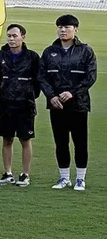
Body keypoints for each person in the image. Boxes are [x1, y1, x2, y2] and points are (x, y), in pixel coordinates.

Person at [40, 14, 97, 191]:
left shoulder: (85, 51)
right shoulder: (49, 52)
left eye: (67, 27)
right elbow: (42, 77)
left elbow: (90, 77)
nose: (63, 30)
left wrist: (71, 93)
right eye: (60, 27)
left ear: (75, 29)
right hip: (57, 105)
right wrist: (52, 96)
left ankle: (80, 178)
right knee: (61, 142)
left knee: (80, 142)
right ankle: (64, 178)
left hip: (78, 104)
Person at [0, 24, 41, 187]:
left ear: (23, 37)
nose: (11, 39)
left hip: (25, 104)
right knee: (7, 139)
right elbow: (0, 77)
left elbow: (37, 80)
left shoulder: (33, 57)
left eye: (15, 36)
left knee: (25, 140)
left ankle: (25, 174)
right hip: (6, 104)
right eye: (9, 36)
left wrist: (27, 93)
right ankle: (8, 173)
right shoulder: (1, 55)